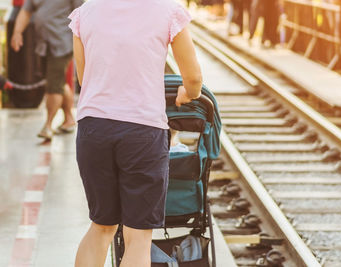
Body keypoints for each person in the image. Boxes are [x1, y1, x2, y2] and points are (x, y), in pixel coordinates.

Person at [68, 0, 202, 266]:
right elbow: (194, 79)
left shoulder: (86, 12)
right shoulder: (168, 11)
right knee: (138, 236)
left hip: (94, 129)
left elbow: (85, 79)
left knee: (101, 226)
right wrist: (189, 93)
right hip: (142, 129)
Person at [11, 0, 82, 139]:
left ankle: (48, 125)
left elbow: (82, 13)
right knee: (57, 82)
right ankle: (69, 119)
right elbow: (26, 11)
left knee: (53, 87)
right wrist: (17, 32)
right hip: (43, 45)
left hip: (62, 43)